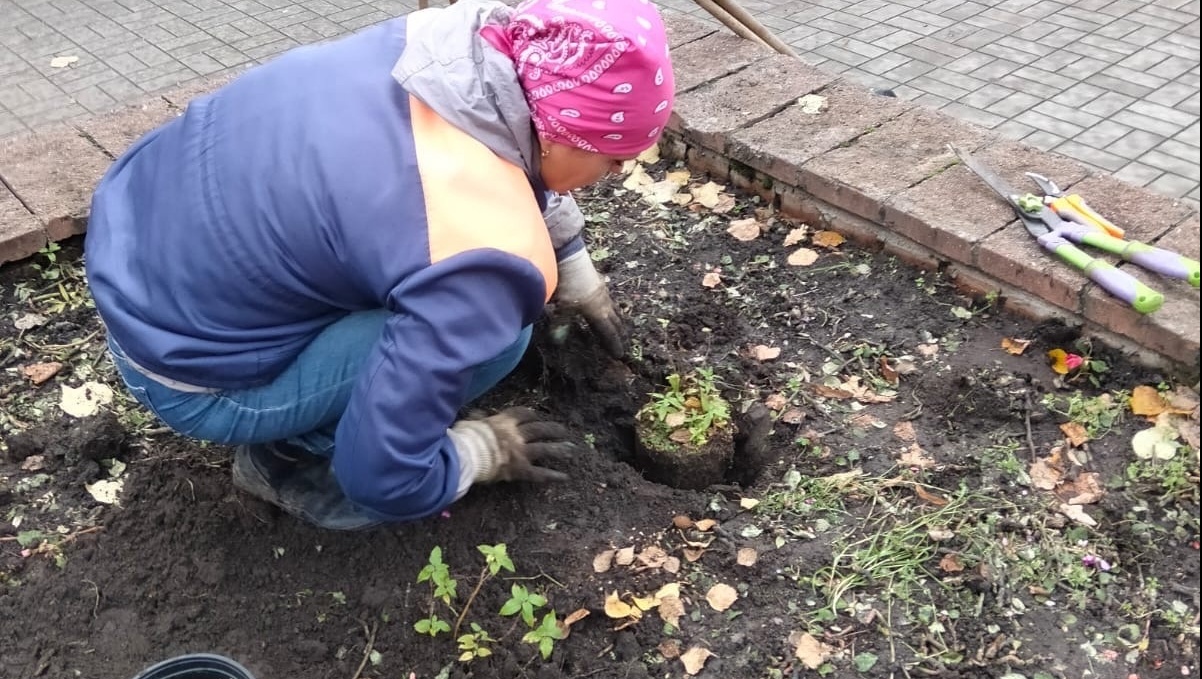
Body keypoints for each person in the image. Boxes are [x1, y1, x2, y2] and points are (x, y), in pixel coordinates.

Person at [84, 0, 675, 530]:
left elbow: (513, 152)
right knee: (504, 339)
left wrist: (573, 266)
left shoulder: (440, 46)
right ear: (559, 134)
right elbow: (382, 475)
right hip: (194, 377)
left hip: (137, 262)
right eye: (614, 159)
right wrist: (478, 453)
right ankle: (285, 461)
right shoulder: (486, 249)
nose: (616, 174)